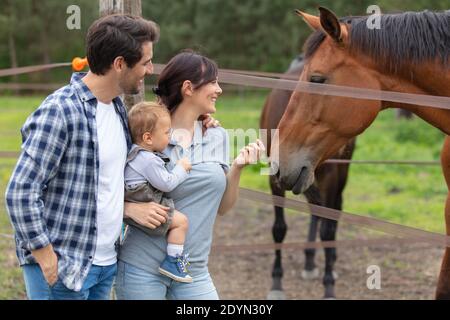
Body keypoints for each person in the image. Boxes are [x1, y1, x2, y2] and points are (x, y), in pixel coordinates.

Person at [4, 14, 218, 300]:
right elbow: (20, 192)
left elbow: (126, 165)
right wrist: (43, 251)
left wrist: (198, 117)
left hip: (105, 265)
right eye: (145, 62)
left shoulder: (117, 109)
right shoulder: (60, 111)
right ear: (119, 64)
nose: (150, 69)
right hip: (65, 265)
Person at [115, 51, 265, 300]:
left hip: (192, 270)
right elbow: (110, 188)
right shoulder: (148, 136)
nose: (219, 89)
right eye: (213, 82)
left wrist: (237, 167)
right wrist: (127, 209)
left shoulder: (217, 136)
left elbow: (223, 208)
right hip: (142, 268)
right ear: (188, 88)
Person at [124, 101, 194, 283]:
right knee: (181, 222)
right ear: (148, 138)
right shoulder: (148, 160)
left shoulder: (134, 152)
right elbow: (167, 183)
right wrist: (181, 168)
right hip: (143, 199)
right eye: (166, 133)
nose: (169, 137)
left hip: (132, 199)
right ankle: (173, 262)